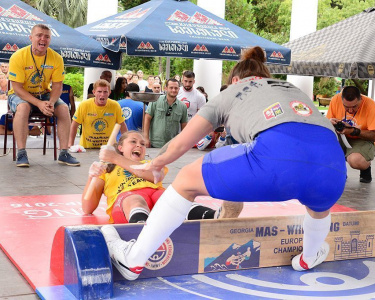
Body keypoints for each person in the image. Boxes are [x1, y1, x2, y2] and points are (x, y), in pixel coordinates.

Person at [100, 46, 347, 280]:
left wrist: (154, 165)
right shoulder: (290, 87)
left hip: (275, 157)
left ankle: (133, 259)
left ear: (236, 80)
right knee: (318, 206)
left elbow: (181, 144)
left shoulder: (232, 91)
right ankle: (309, 256)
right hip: (335, 168)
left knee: (186, 180)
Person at [83, 131, 218, 223]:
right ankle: (140, 226)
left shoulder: (151, 164)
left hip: (156, 199)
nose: (139, 145)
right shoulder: (106, 169)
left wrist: (115, 157)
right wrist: (92, 176)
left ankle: (214, 216)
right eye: (133, 142)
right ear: (120, 147)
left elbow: (155, 177)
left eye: (142, 144)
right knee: (135, 199)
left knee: (169, 198)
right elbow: (87, 208)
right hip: (126, 203)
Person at [7, 24, 79, 167]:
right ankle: (21, 153)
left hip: (44, 94)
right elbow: (17, 88)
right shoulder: (18, 56)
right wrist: (39, 104)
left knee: (64, 109)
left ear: (50, 40)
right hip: (19, 94)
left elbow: (57, 86)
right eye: (39, 35)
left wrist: (51, 102)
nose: (43, 39)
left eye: (46, 36)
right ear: (31, 38)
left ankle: (64, 152)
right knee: (23, 108)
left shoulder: (56, 58)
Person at [327, 86, 375, 183]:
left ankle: (365, 168)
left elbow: (374, 136)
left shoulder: (370, 105)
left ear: (361, 99)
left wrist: (353, 131)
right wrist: (330, 122)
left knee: (355, 160)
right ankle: (341, 170)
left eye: (354, 106)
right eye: (346, 107)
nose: (350, 111)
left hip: (362, 139)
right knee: (323, 147)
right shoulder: (335, 100)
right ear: (341, 100)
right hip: (341, 136)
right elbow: (327, 126)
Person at [68, 79, 128, 149]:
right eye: (99, 91)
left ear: (109, 93)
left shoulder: (115, 105)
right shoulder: (84, 105)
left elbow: (123, 126)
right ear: (94, 92)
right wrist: (70, 144)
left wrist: (125, 145)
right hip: (87, 148)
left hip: (108, 148)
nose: (102, 95)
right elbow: (74, 125)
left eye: (105, 92)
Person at [143, 78, 188, 148]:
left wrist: (183, 143)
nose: (173, 90)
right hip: (155, 144)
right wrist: (146, 138)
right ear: (166, 88)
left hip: (172, 145)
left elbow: (184, 126)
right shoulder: (155, 100)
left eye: (176, 88)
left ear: (179, 89)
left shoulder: (183, 106)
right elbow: (147, 118)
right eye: (171, 88)